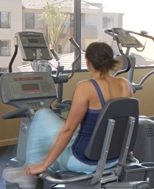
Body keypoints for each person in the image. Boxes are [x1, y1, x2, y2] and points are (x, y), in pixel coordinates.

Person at [24, 42, 133, 176]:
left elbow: (68, 130)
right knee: (72, 135)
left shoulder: (85, 87)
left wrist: (44, 165)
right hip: (114, 159)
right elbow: (127, 122)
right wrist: (127, 150)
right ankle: (39, 164)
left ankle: (32, 168)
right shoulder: (125, 84)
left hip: (84, 162)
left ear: (87, 62)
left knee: (43, 114)